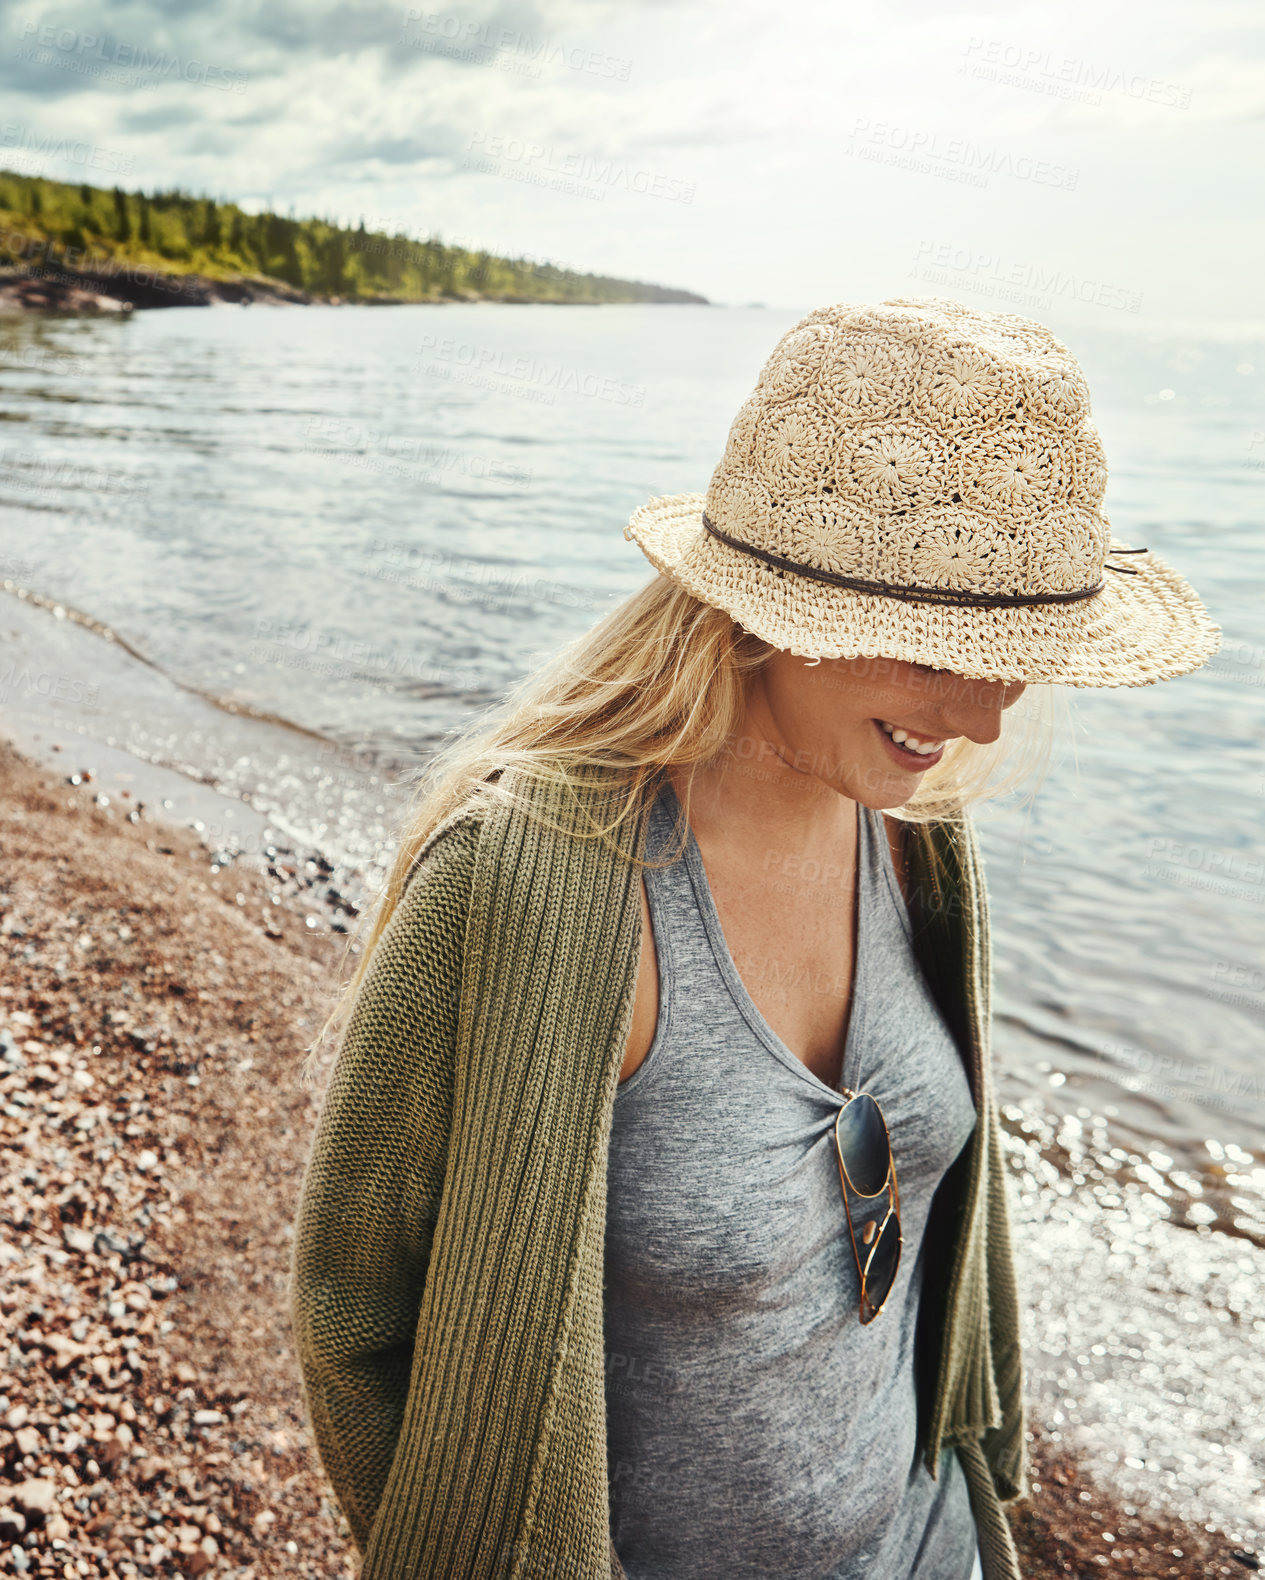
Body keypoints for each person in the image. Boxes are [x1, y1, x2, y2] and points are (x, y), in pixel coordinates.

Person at [288, 296, 1221, 1580]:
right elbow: (355, 1307)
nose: (982, 721)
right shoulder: (533, 886)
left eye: (1008, 658)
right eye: (946, 648)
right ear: (775, 609)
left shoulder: (915, 842)